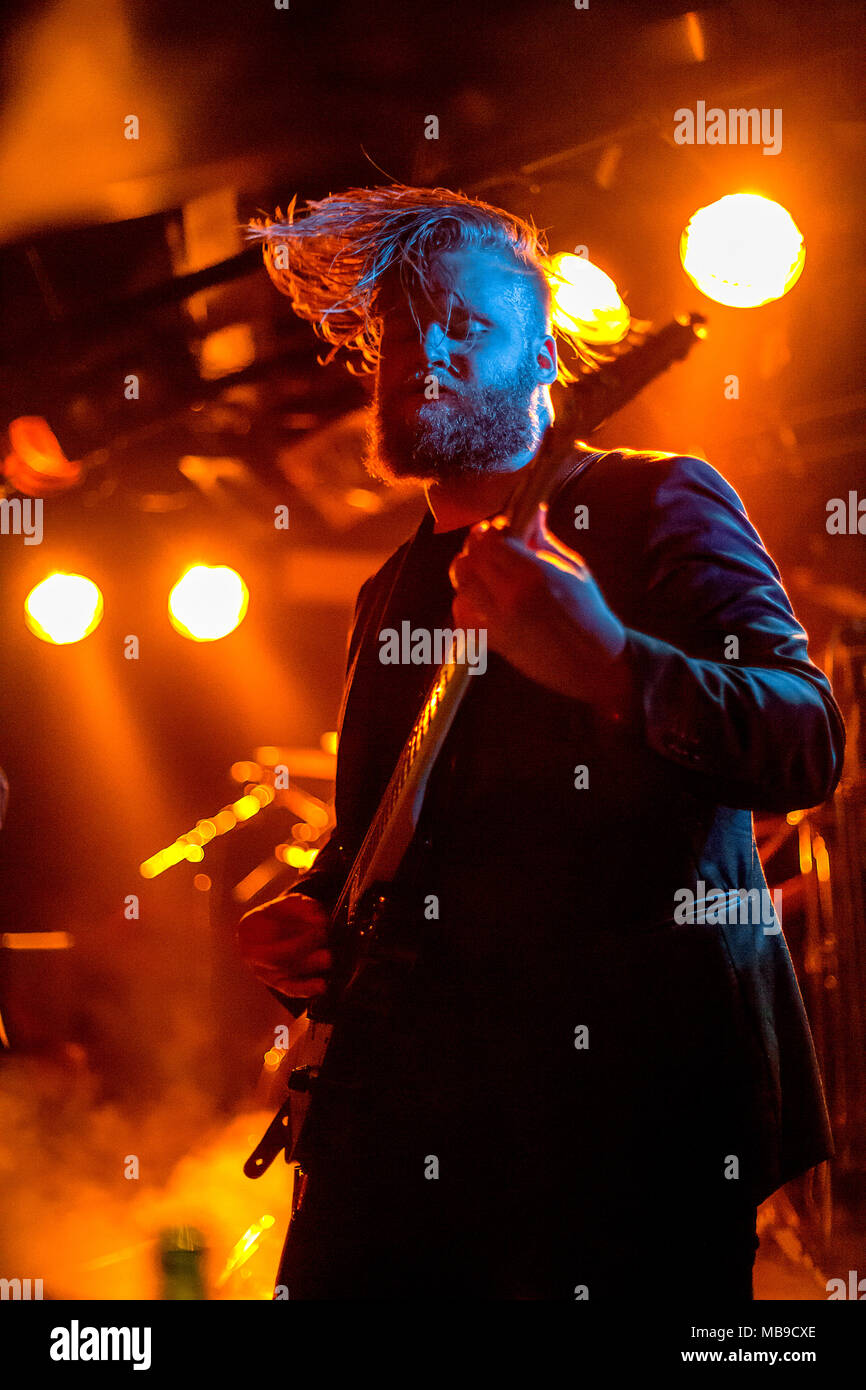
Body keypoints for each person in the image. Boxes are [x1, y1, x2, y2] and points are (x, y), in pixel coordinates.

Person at [237, 186, 845, 1300]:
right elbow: (389, 834)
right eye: (403, 329)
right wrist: (313, 915)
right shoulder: (388, 590)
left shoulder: (652, 504)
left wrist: (613, 663)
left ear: (541, 354)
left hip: (622, 1126)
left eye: (465, 323)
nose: (428, 349)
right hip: (406, 1118)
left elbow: (803, 741)